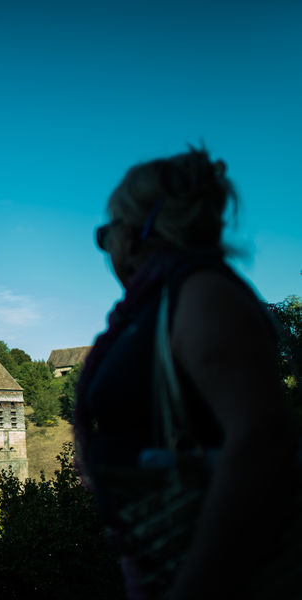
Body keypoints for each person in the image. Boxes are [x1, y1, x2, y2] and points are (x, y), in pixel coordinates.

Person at [75, 147, 299, 599]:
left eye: (107, 233)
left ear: (137, 232)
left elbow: (259, 441)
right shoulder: (164, 299)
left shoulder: (200, 294)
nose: (106, 247)